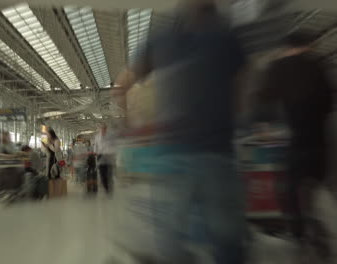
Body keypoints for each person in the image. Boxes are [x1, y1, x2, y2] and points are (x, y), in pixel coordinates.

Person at [113, 1, 247, 263]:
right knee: (227, 239)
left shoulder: (161, 38)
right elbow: (244, 91)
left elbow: (120, 86)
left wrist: (132, 124)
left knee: (171, 239)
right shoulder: (229, 39)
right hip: (218, 152)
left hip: (172, 155)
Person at [258, 32, 332, 260]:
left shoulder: (278, 65)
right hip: (319, 141)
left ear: (286, 46)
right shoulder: (319, 65)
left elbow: (263, 98)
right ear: (308, 45)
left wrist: (265, 124)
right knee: (314, 185)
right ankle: (315, 226)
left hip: (293, 140)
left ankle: (299, 233)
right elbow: (329, 102)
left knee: (289, 188)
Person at [94, 123, 115, 194]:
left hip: (109, 155)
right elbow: (95, 146)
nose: (103, 129)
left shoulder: (110, 136)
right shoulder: (97, 136)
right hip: (100, 155)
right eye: (102, 128)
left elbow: (114, 145)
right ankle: (106, 188)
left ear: (106, 128)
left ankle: (109, 187)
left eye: (104, 128)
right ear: (100, 129)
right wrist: (96, 153)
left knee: (109, 173)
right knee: (102, 173)